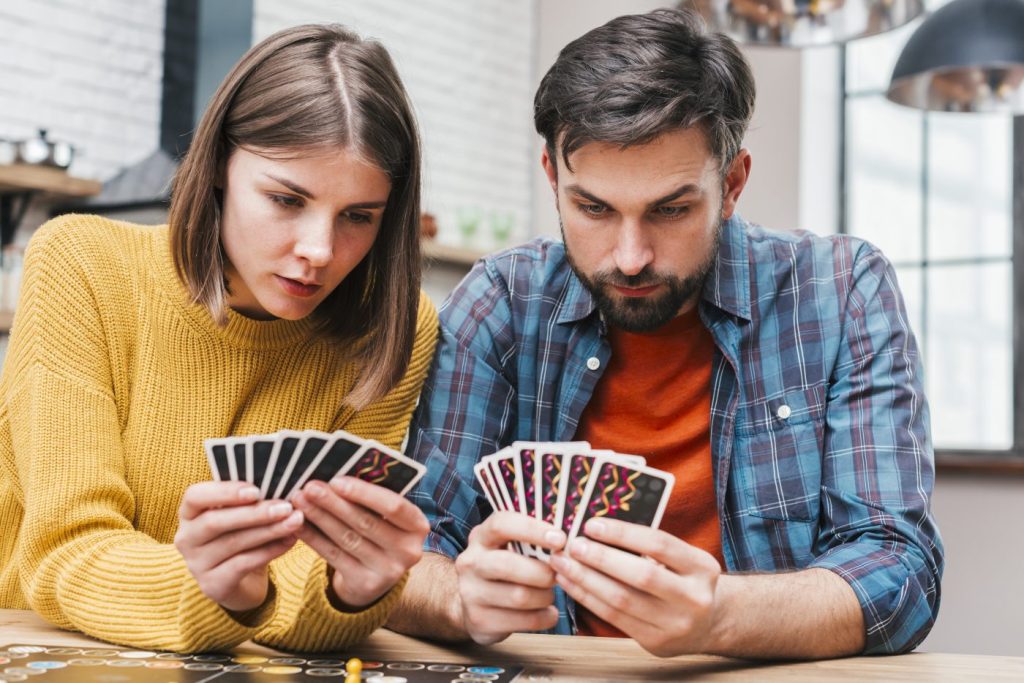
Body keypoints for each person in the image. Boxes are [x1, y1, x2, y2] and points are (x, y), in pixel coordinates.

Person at [389, 7, 943, 659]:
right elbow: (406, 551)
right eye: (592, 207)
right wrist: (456, 593)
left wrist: (723, 617)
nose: (629, 256)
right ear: (552, 178)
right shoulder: (500, 304)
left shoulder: (843, 289)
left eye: (671, 209)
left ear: (732, 183)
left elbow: (900, 571)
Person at [0, 23, 437, 653]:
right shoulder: (81, 264)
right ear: (218, 171)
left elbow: (307, 592)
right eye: (287, 199)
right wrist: (218, 594)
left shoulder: (395, 325)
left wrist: (351, 595)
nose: (319, 251)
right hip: (46, 648)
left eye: (358, 216)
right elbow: (63, 550)